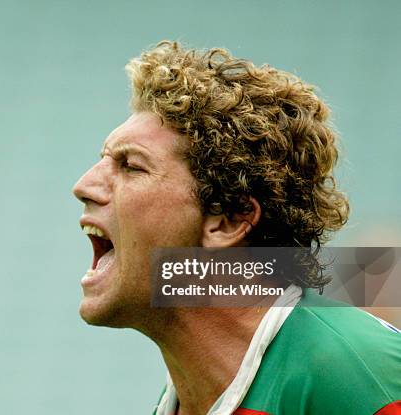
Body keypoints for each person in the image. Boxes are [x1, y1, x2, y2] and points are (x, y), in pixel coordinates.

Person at [72, 41, 401, 415]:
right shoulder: (182, 401)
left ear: (228, 221)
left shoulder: (358, 381)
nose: (83, 185)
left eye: (131, 166)